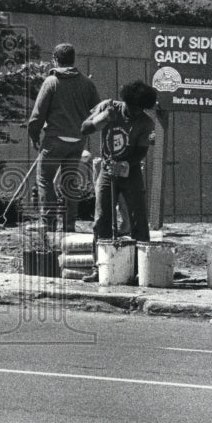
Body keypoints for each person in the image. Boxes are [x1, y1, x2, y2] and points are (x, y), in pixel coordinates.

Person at [80, 80, 158, 282]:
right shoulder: (108, 107)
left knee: (138, 220)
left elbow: (142, 151)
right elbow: (84, 128)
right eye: (131, 107)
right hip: (106, 172)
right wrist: (103, 119)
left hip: (130, 172)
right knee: (101, 219)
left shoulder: (147, 123)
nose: (134, 112)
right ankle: (100, 267)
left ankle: (142, 268)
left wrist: (124, 164)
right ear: (124, 101)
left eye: (139, 109)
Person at [27, 43, 101, 232]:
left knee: (44, 180)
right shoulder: (87, 83)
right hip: (77, 141)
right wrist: (85, 130)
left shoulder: (51, 82)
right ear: (73, 59)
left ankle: (47, 223)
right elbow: (99, 111)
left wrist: (34, 135)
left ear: (55, 59)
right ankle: (69, 225)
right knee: (69, 182)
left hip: (54, 140)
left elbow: (37, 115)